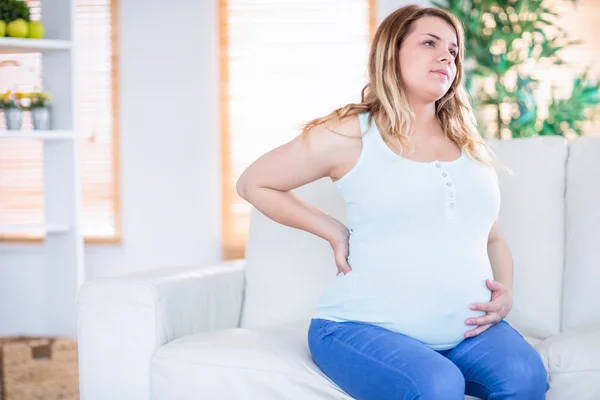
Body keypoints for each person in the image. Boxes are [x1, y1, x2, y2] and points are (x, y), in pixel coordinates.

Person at [236, 4, 549, 400]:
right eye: (430, 43)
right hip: (360, 327)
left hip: (467, 332)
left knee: (527, 380)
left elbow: (493, 238)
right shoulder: (351, 134)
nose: (445, 57)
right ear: (392, 53)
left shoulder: (468, 142)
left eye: (453, 50)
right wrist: (331, 229)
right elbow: (254, 183)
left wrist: (504, 293)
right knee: (437, 386)